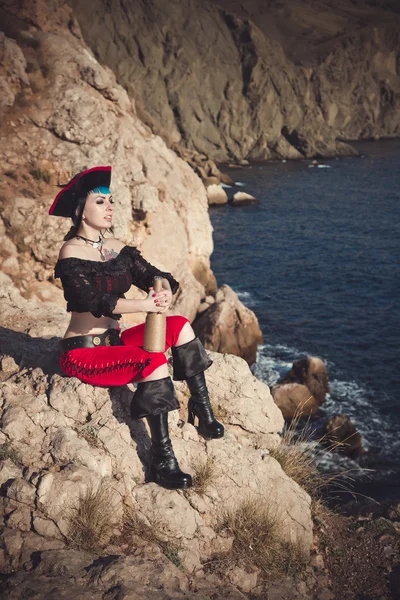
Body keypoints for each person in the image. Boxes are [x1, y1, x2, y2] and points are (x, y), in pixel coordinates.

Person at [49, 165, 224, 490]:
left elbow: (155, 275)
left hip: (114, 342)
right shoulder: (70, 253)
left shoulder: (117, 247)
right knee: (154, 360)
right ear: (79, 211)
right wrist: (144, 305)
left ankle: (201, 405)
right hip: (83, 352)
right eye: (100, 202)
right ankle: (162, 459)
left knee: (180, 324)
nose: (110, 206)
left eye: (111, 200)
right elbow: (93, 300)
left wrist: (163, 288)